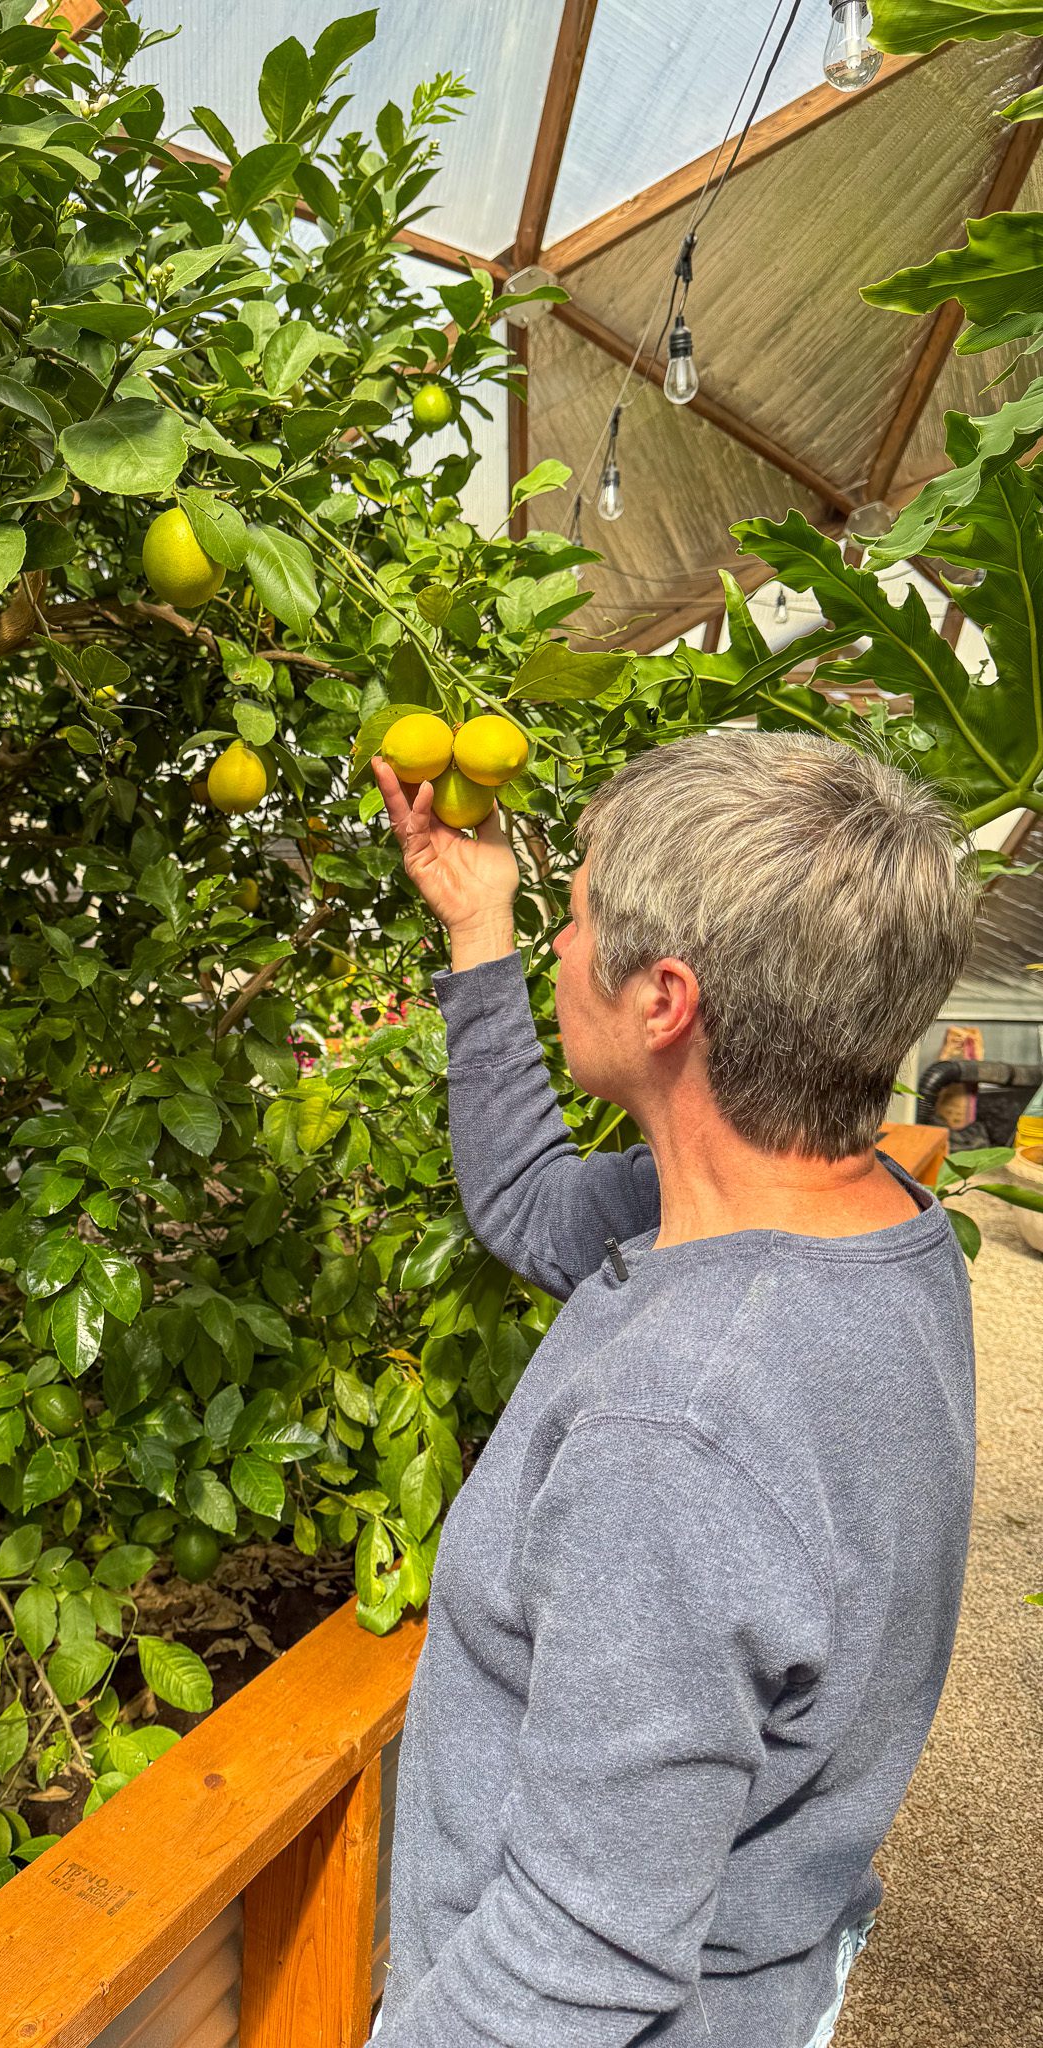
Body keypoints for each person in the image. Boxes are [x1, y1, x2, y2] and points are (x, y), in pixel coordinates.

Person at [365, 730, 977, 2048]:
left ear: (666, 1001)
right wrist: (482, 928)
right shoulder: (874, 1233)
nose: (562, 950)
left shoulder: (683, 1421)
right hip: (770, 1979)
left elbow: (579, 1961)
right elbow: (533, 1205)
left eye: (575, 918)